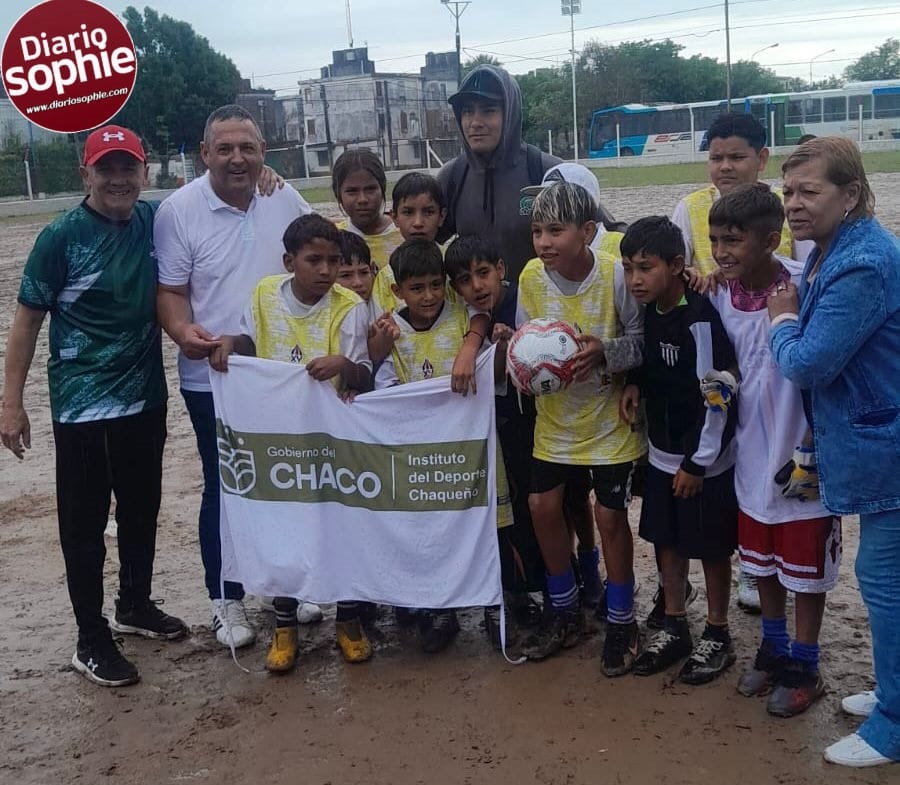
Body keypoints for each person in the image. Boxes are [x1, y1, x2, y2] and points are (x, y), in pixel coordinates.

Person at [0, 125, 186, 687]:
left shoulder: (155, 221)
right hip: (83, 408)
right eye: (106, 169)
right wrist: (10, 403)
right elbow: (27, 322)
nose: (118, 179)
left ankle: (135, 604)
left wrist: (268, 178)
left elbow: (208, 203)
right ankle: (90, 636)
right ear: (86, 175)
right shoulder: (60, 237)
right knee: (82, 525)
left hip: (145, 399)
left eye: (128, 167)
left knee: (140, 508)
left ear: (144, 172)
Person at [155, 104, 315, 650]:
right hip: (215, 378)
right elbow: (172, 293)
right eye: (224, 149)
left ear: (263, 153)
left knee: (288, 481)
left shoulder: (282, 197)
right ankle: (225, 599)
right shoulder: (178, 210)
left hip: (281, 374)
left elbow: (319, 261)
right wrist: (182, 333)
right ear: (205, 155)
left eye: (247, 148)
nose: (237, 158)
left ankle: (287, 589)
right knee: (226, 487)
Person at [766, 137, 899, 768]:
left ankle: (895, 725)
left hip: (887, 448)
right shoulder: (831, 249)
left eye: (808, 192)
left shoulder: (862, 262)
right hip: (869, 438)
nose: (793, 204)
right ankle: (894, 693)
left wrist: (781, 321)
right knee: (885, 580)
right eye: (788, 191)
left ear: (850, 195)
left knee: (883, 581)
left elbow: (810, 363)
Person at [211, 214, 373, 671]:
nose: (325, 270)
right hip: (277, 439)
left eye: (334, 261)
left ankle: (349, 619)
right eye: (314, 260)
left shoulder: (348, 306)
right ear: (289, 261)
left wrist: (344, 363)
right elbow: (248, 342)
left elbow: (364, 376)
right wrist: (229, 345)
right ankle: (284, 627)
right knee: (281, 530)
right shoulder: (264, 295)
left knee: (340, 526)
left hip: (331, 441)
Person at [705, 182, 841, 718]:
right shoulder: (718, 293)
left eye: (733, 241)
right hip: (751, 455)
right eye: (715, 240)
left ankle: (806, 664)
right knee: (762, 563)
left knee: (806, 567)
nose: (721, 252)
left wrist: (816, 441)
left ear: (770, 238)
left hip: (802, 452)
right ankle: (774, 645)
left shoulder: (803, 288)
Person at [672, 112, 815, 615]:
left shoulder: (790, 218)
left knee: (798, 527)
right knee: (746, 504)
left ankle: (796, 646)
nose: (725, 166)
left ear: (761, 159)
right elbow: (678, 268)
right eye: (716, 157)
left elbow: (802, 277)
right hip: (738, 413)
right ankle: (755, 590)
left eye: (736, 156)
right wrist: (697, 276)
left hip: (792, 415)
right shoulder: (689, 209)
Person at [515, 182, 645, 674]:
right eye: (536, 231)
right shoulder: (531, 277)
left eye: (555, 230)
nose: (543, 242)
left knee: (609, 518)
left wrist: (606, 353)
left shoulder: (614, 278)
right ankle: (564, 609)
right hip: (555, 421)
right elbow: (528, 341)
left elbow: (641, 339)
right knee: (541, 506)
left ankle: (621, 619)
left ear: (588, 231)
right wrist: (523, 371)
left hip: (610, 421)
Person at [375, 238, 513, 652]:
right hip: (424, 457)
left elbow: (494, 363)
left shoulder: (464, 321)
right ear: (398, 291)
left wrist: (488, 343)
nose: (429, 295)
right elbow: (381, 390)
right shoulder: (390, 331)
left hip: (474, 451)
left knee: (490, 528)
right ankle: (441, 609)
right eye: (417, 288)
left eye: (436, 285)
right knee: (431, 531)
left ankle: (496, 604)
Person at [618, 217, 739, 684]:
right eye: (629, 268)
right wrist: (633, 382)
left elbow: (718, 396)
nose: (635, 280)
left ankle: (718, 631)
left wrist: (697, 462)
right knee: (665, 539)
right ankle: (675, 624)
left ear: (676, 266)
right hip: (660, 454)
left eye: (645, 268)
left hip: (701, 462)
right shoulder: (650, 310)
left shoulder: (700, 319)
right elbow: (653, 364)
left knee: (709, 547)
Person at [444, 234, 545, 647]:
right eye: (466, 280)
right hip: (482, 428)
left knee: (530, 505)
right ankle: (502, 594)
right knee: (493, 513)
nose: (477, 286)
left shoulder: (525, 299)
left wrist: (507, 345)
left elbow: (512, 372)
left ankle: (544, 586)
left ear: (501, 269)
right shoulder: (460, 316)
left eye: (483, 273)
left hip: (528, 424)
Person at [438, 64, 561, 282]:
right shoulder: (453, 177)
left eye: (488, 110)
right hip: (479, 312)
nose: (475, 122)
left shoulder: (546, 172)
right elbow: (424, 243)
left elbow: (603, 234)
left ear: (510, 113)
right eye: (467, 111)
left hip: (541, 312)